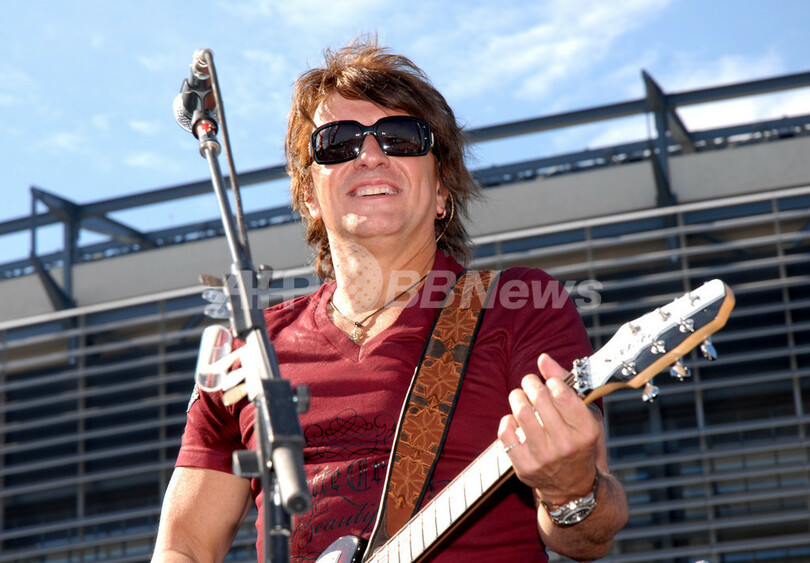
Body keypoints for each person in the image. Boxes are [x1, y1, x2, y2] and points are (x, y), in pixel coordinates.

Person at [152, 38, 628, 563]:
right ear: (308, 195)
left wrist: (570, 490)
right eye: (338, 143)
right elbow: (184, 546)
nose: (371, 155)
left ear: (442, 189)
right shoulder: (252, 350)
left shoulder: (519, 307)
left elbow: (590, 538)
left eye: (401, 138)